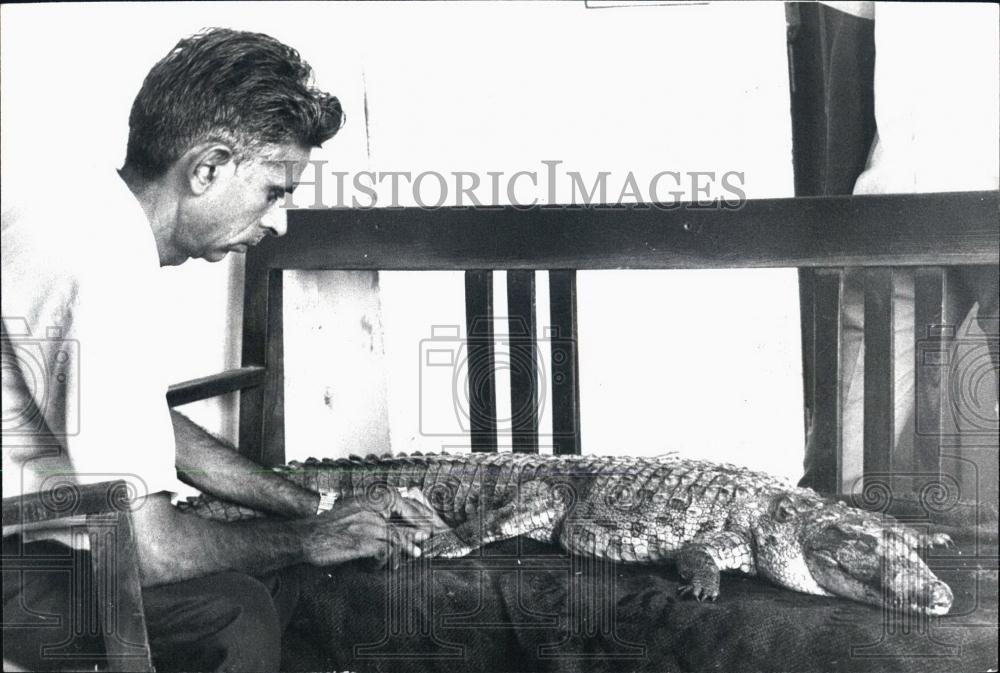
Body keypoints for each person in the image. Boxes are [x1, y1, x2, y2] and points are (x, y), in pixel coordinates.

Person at [2, 28, 438, 672]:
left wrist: (313, 507)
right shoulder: (99, 269)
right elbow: (152, 553)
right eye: (274, 191)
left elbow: (140, 423)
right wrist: (307, 537)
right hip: (16, 563)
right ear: (207, 169)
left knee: (279, 578)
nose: (280, 221)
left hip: (41, 533)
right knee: (234, 610)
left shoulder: (85, 211)